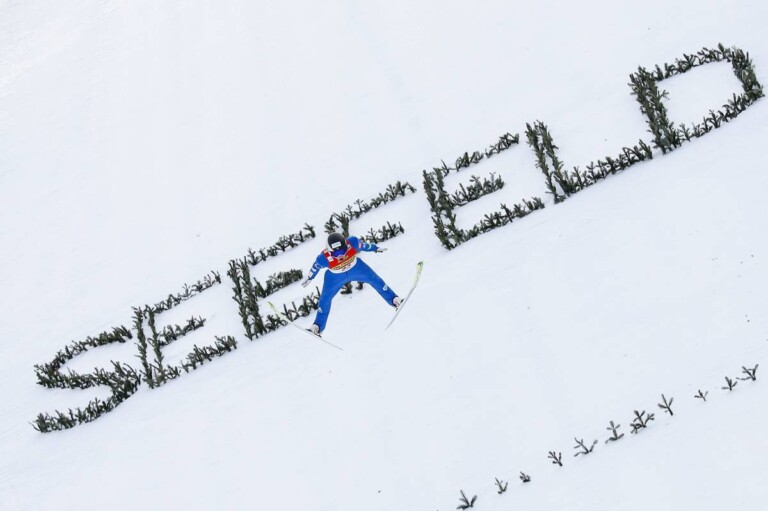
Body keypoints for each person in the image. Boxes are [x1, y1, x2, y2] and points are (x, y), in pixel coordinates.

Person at [301, 232, 401, 335]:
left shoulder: (353, 242)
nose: (340, 255)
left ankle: (394, 300)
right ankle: (317, 326)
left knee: (376, 280)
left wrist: (375, 248)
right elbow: (315, 267)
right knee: (325, 299)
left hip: (356, 268)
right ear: (329, 250)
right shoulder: (323, 258)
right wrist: (309, 277)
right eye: (336, 254)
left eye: (343, 250)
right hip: (335, 277)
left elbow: (364, 246)